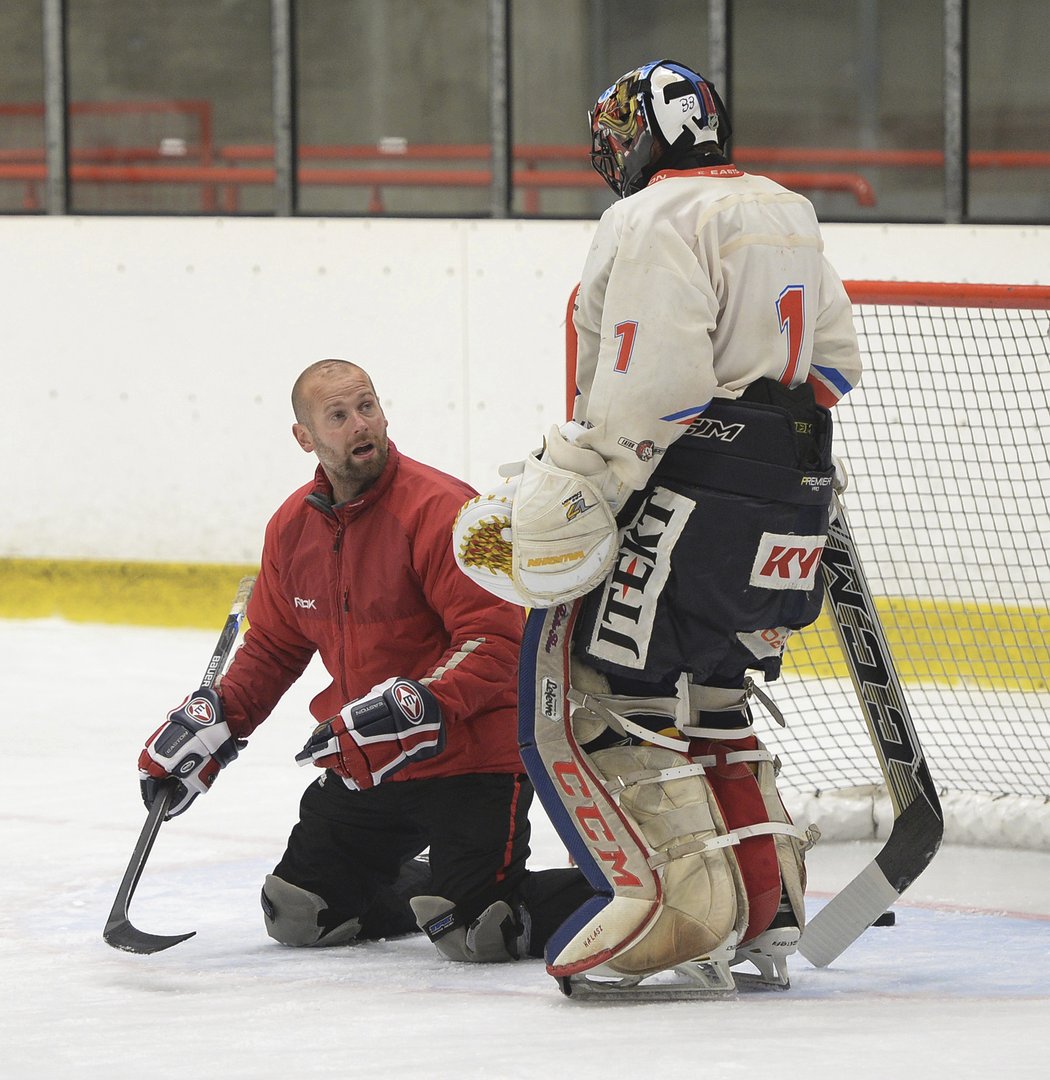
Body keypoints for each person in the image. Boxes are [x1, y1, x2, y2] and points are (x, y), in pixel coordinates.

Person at [453, 60, 863, 997]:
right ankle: (768, 904)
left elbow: (652, 393)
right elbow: (834, 364)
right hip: (796, 490)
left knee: (583, 681)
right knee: (714, 690)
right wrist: (759, 443)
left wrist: (580, 488)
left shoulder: (645, 219)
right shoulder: (785, 207)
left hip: (696, 489)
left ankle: (675, 906)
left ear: (641, 135)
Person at [138, 358, 591, 962]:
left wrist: (418, 705)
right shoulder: (292, 528)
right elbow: (274, 646)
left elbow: (498, 640)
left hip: (470, 756)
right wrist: (217, 719)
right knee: (301, 913)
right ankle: (443, 890)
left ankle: (640, 895)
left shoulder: (444, 511)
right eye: (339, 415)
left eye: (368, 407)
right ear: (306, 438)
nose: (361, 425)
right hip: (372, 758)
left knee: (479, 930)